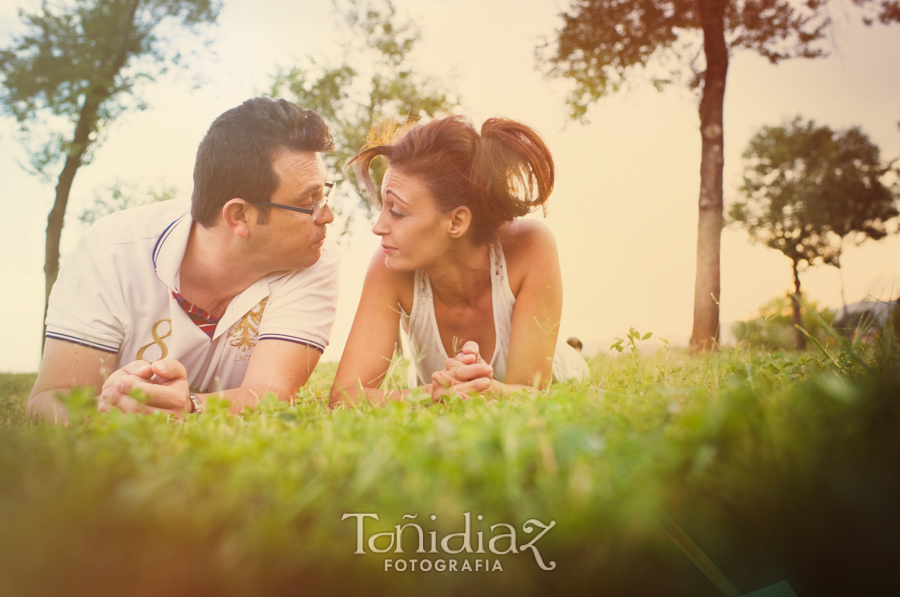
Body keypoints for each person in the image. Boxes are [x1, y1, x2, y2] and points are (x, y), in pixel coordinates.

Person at [28, 97, 340, 423]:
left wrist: (190, 406)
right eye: (309, 202)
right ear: (239, 216)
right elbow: (51, 397)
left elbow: (272, 395)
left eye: (325, 194)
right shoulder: (110, 253)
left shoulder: (313, 256)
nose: (327, 215)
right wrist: (115, 413)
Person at [330, 115, 586, 406]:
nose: (378, 227)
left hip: (563, 376)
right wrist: (432, 393)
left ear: (457, 221)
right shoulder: (390, 264)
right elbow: (344, 396)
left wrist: (483, 389)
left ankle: (573, 350)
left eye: (397, 212)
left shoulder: (530, 246)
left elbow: (531, 395)